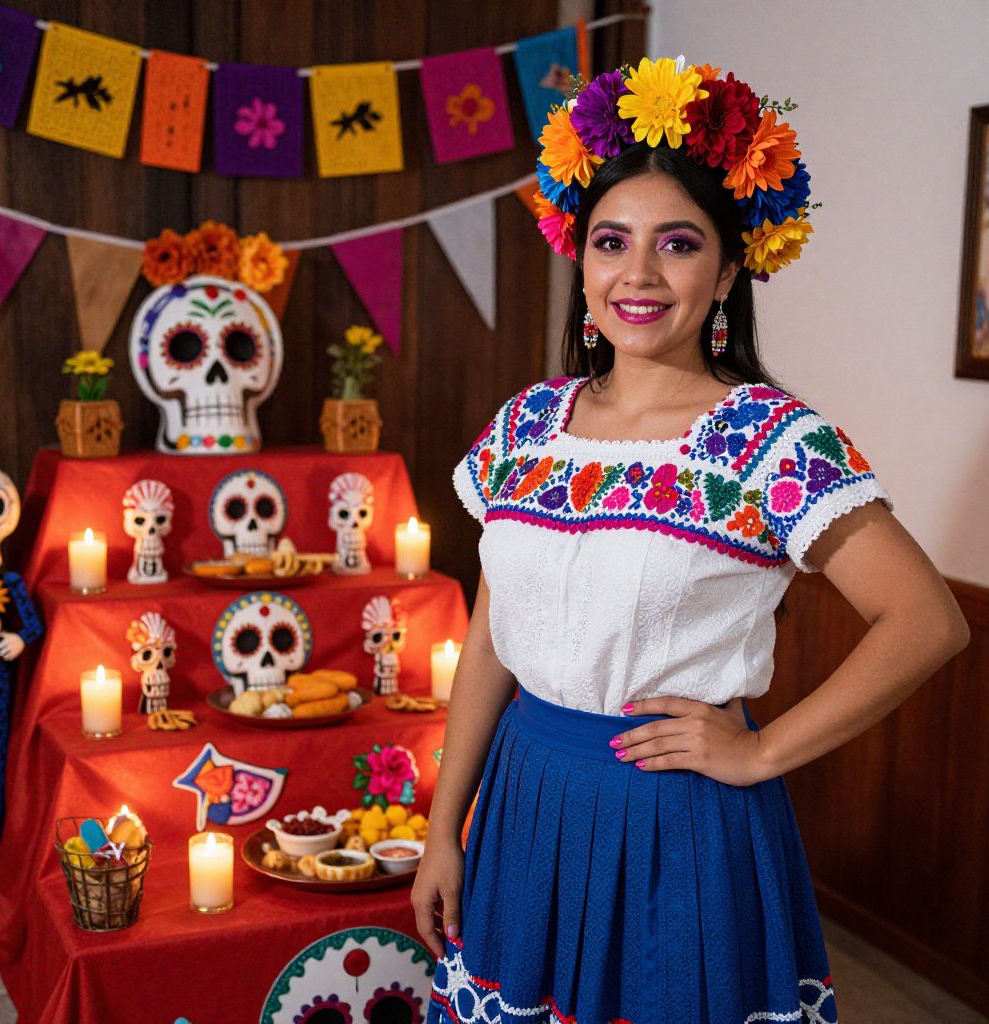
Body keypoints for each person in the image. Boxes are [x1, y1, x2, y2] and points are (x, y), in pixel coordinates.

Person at [414, 56, 970, 1023]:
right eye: (609, 242)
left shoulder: (767, 443)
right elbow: (493, 636)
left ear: (727, 270)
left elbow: (926, 620)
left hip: (676, 816)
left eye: (676, 244)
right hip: (522, 797)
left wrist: (762, 753)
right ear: (579, 260)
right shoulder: (526, 429)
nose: (636, 274)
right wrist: (442, 827)